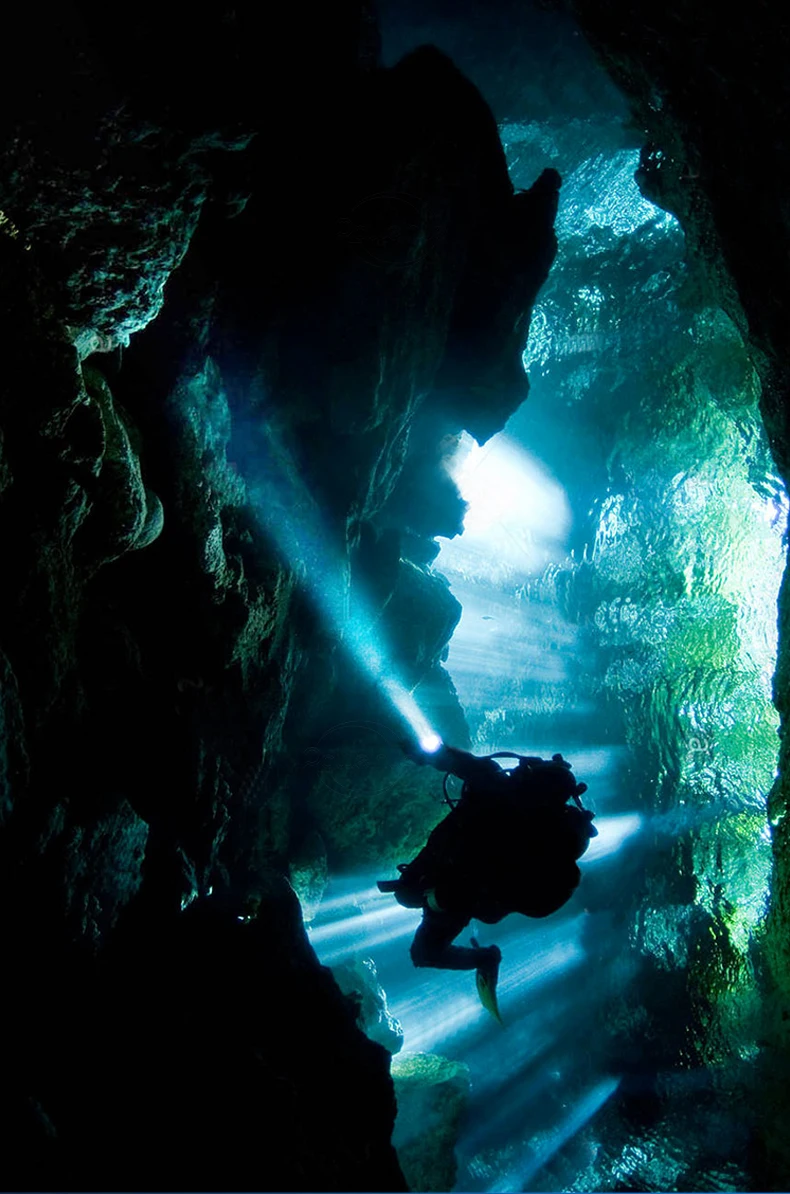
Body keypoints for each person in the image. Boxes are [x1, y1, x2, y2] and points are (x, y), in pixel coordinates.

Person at [378, 741, 597, 1022]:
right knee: (409, 904)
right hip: (464, 883)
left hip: (463, 889)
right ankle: (483, 956)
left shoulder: (497, 787)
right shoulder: (501, 791)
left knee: (422, 945)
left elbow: (452, 759)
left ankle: (485, 958)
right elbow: (453, 760)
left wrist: (417, 749)